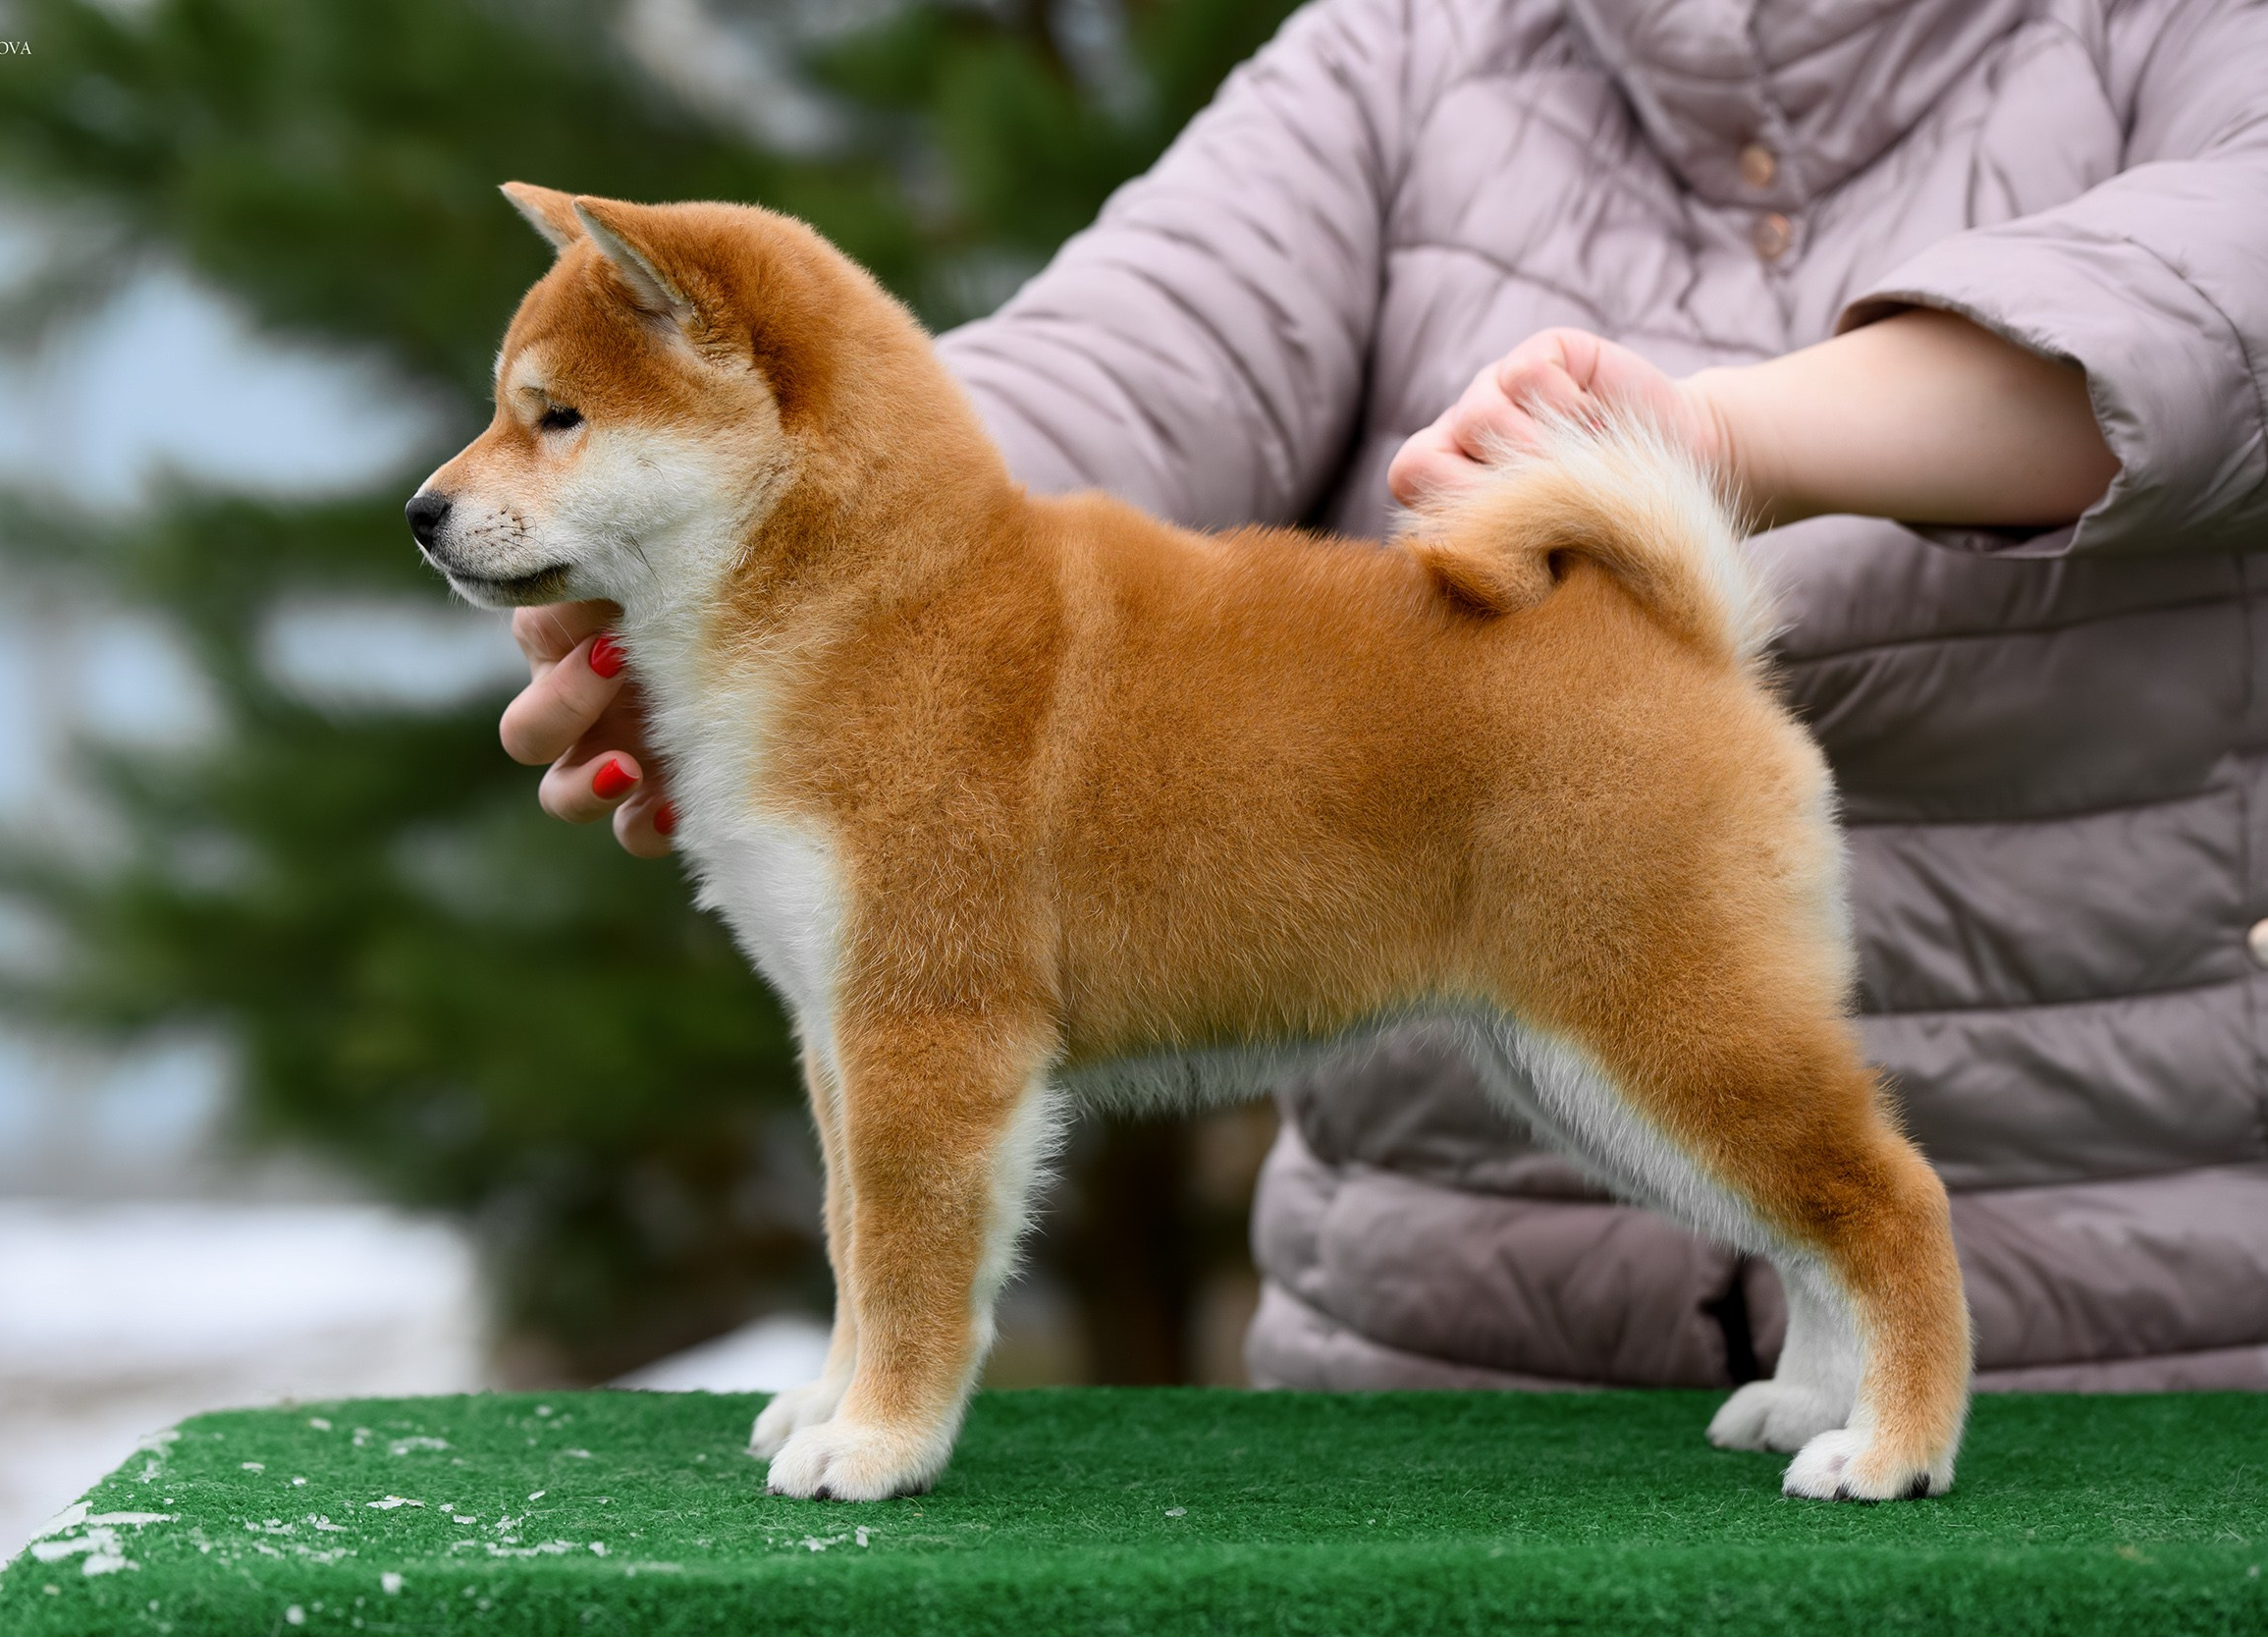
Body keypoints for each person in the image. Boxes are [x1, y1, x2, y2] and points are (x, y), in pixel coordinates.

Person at [500, 0, 2268, 1391]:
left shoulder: (2155, 27)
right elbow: (1125, 351)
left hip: (2137, 1323)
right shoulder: (1399, 54)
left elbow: (2223, 278)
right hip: (1436, 1342)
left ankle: (1892, 1339)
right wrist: (801, 596)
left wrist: (1741, 439)